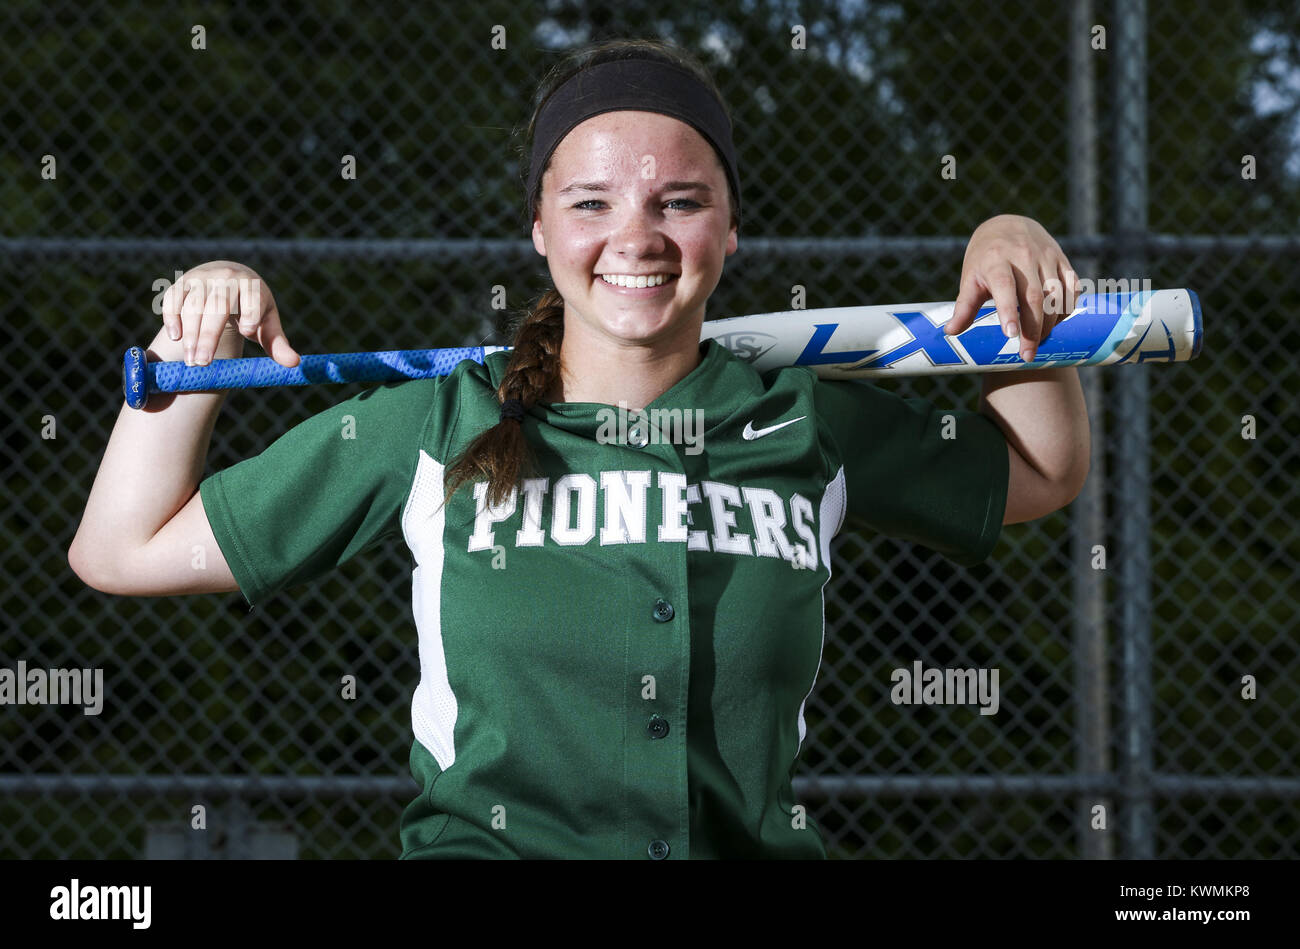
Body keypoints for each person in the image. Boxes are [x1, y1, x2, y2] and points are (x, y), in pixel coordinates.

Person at [68, 38, 1090, 859]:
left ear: (730, 231)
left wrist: (1013, 288)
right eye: (591, 203)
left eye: (678, 202)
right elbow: (122, 549)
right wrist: (191, 348)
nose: (635, 237)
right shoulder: (437, 425)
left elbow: (1038, 472)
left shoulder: (802, 419)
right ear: (540, 232)